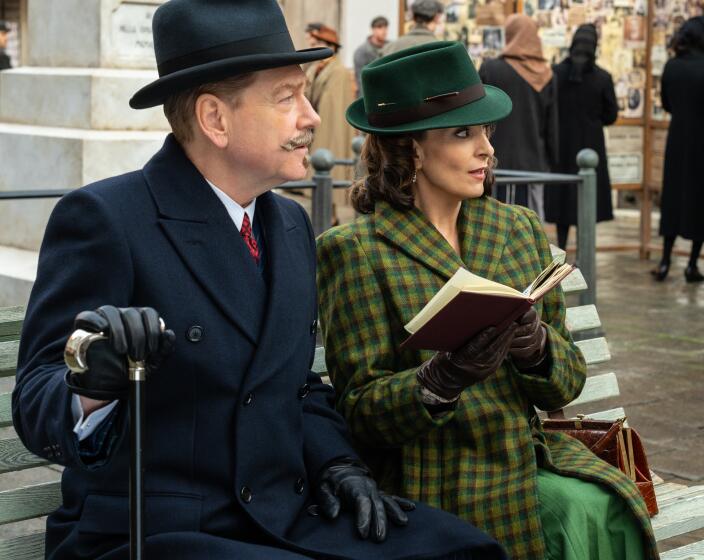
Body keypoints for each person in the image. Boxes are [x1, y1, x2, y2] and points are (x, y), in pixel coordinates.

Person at [11, 2, 507, 558]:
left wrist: (338, 463)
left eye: (304, 93)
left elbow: (294, 386)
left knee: (468, 550)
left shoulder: (288, 224)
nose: (312, 117)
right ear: (215, 120)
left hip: (283, 514)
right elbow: (36, 403)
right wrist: (93, 386)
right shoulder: (107, 218)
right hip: (155, 532)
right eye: (287, 97)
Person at [317, 41, 658, 560]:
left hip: (525, 458)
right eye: (462, 133)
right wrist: (439, 382)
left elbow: (566, 381)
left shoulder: (517, 228)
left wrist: (536, 346)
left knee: (604, 508)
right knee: (578, 515)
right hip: (431, 477)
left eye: (485, 131)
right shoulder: (355, 251)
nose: (487, 150)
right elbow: (360, 413)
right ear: (410, 148)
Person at [653, 16, 704, 283]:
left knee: (673, 199)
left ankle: (664, 260)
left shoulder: (672, 67)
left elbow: (667, 103)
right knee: (701, 200)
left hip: (678, 139)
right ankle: (692, 264)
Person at [545, 24, 618, 249]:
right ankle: (585, 253)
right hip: (590, 145)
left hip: (562, 145)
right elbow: (611, 114)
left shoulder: (555, 73)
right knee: (587, 198)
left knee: (563, 200)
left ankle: (562, 248)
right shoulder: (603, 78)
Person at [479, 14, 555, 219]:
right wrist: (550, 161)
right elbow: (552, 125)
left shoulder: (491, 68)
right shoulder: (546, 74)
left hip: (494, 160)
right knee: (529, 224)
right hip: (533, 164)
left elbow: (478, 115)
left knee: (493, 220)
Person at [305, 24, 356, 183]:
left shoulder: (339, 71)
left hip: (328, 126)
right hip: (314, 122)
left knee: (329, 157)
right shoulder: (314, 68)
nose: (312, 48)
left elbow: (332, 107)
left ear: (330, 46)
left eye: (316, 45)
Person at [353, 16, 389, 98]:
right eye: (380, 27)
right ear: (373, 29)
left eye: (386, 27)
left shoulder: (390, 47)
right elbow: (360, 79)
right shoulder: (361, 51)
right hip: (370, 95)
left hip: (388, 94)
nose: (384, 31)